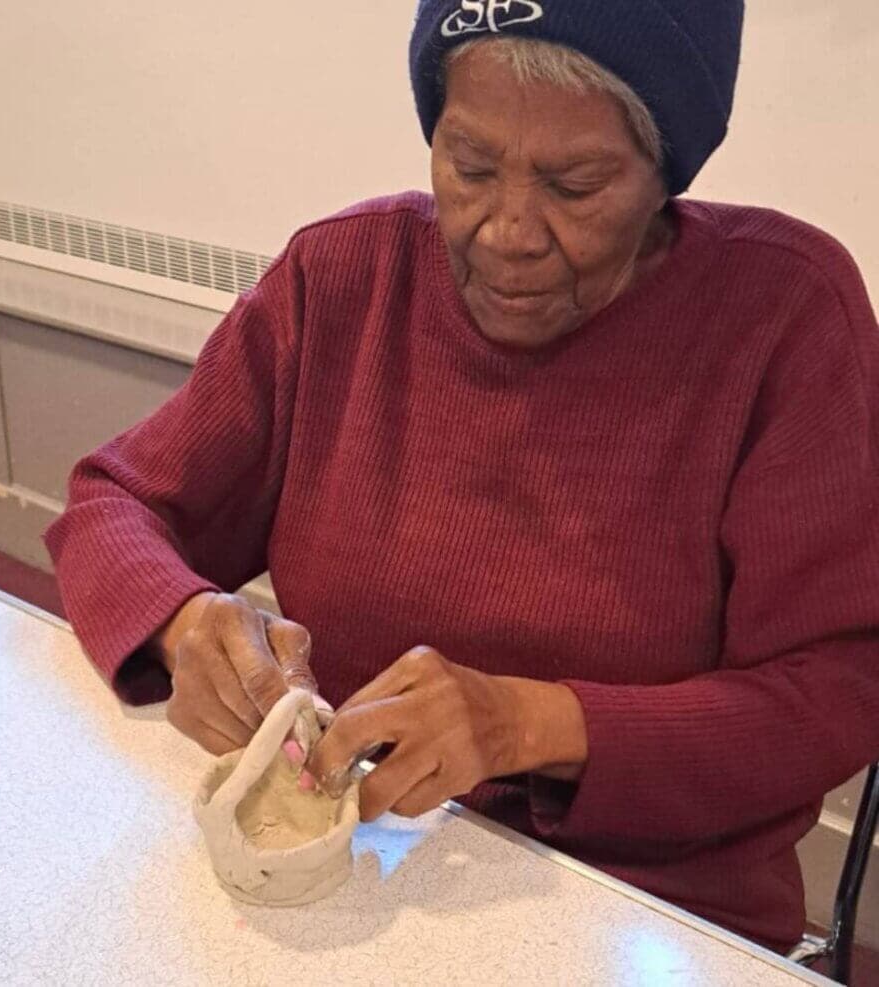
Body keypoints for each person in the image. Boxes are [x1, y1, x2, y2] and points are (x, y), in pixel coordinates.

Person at [46, 0, 879, 953]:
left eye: (577, 183)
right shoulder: (342, 278)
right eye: (470, 166)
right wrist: (186, 619)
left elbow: (838, 691)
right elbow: (114, 502)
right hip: (364, 872)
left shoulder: (784, 317)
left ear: (666, 174)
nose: (507, 231)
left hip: (655, 916)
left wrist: (530, 723)